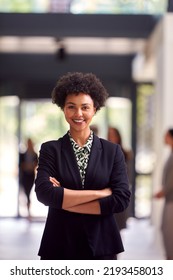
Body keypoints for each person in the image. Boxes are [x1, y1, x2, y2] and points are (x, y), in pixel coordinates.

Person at [35, 72, 131, 260]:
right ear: (63, 109)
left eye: (85, 107)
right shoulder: (50, 150)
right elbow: (44, 193)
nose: (78, 114)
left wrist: (65, 200)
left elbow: (121, 199)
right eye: (71, 107)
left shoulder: (113, 152)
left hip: (102, 246)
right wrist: (100, 193)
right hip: (59, 244)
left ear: (95, 109)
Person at [107, 127, 133, 230]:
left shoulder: (126, 154)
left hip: (119, 195)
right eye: (109, 134)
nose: (110, 137)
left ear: (118, 136)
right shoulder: (104, 152)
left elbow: (128, 177)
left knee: (118, 229)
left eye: (113, 134)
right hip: (106, 196)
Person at [154, 128, 173, 260]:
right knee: (165, 229)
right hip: (169, 198)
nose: (163, 138)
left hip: (171, 199)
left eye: (166, 136)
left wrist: (164, 190)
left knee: (168, 231)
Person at [19, 138, 38, 218]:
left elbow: (36, 165)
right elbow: (20, 165)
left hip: (31, 176)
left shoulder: (35, 154)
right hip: (24, 176)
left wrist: (29, 166)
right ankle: (27, 211)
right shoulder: (22, 154)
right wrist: (27, 166)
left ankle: (28, 211)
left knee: (28, 193)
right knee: (25, 193)